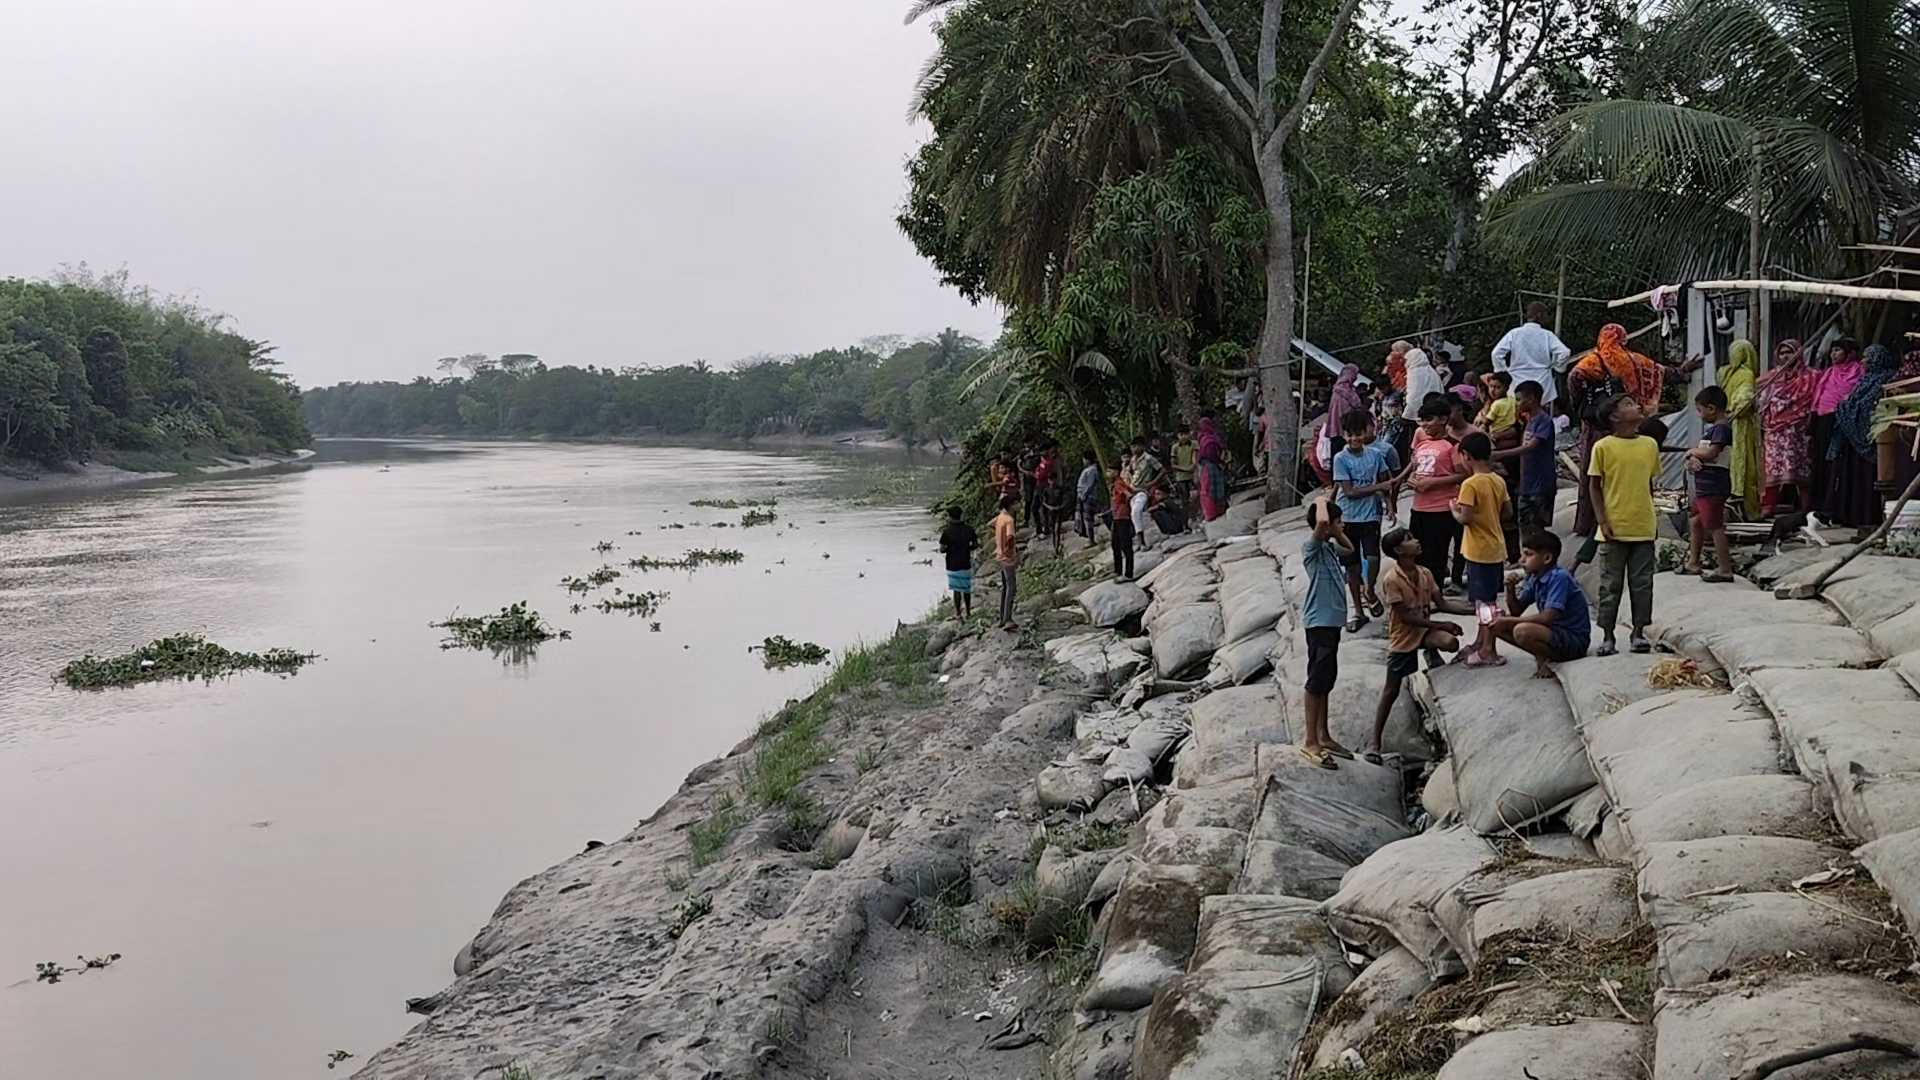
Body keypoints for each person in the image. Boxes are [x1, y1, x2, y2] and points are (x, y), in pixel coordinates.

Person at [1568, 324, 1697, 559]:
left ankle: (1588, 523)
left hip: (1597, 429)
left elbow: (1574, 379)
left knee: (1594, 477)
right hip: (1629, 429)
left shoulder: (1591, 361)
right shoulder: (1634, 360)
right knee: (1631, 477)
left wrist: (1584, 404)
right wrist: (1683, 370)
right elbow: (1660, 372)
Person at [1370, 527, 1465, 762]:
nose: (1416, 541)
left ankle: (1431, 652)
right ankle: (1374, 742)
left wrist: (1475, 607)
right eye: (1409, 540)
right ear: (1398, 550)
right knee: (1391, 689)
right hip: (1404, 636)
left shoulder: (1424, 573)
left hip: (1424, 631)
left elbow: (1441, 603)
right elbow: (1406, 618)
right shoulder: (1392, 579)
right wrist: (1441, 624)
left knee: (1451, 643)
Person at [1587, 394, 1660, 656]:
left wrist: (1653, 517)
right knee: (1610, 585)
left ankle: (1638, 632)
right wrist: (1602, 520)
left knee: (1642, 584)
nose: (1636, 406)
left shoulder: (1650, 445)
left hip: (1643, 525)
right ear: (1614, 417)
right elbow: (1594, 486)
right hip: (1614, 527)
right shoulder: (1603, 447)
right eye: (1628, 404)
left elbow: (1648, 484)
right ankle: (1607, 635)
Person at [1300, 495, 1356, 770]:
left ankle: (1324, 734)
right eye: (1339, 521)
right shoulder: (1311, 548)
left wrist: (1337, 532)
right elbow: (1321, 520)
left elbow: (1350, 549)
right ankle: (1310, 740)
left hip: (1332, 622)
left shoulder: (1330, 549)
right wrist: (1323, 500)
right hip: (1319, 622)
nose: (1342, 524)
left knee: (1327, 680)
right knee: (1316, 681)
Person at [1490, 529, 1591, 679]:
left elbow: (1547, 617)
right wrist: (1510, 589)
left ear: (1547, 558)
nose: (1522, 560)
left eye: (1528, 554)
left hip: (1573, 640)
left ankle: (1548, 660)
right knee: (1496, 625)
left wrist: (1509, 620)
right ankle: (1542, 655)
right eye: (1523, 554)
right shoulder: (1535, 577)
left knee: (1522, 631)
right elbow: (1516, 610)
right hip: (1553, 634)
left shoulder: (1559, 578)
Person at [1332, 408, 1400, 630]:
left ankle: (1369, 590)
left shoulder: (1376, 455)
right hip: (1348, 517)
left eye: (1358, 434)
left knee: (1372, 558)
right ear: (1344, 435)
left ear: (1367, 432)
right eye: (1350, 435)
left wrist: (1389, 503)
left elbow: (1385, 480)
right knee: (1351, 567)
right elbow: (1349, 491)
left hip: (1371, 515)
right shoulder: (1340, 458)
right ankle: (1358, 611)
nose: (1354, 439)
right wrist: (1380, 487)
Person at [1824, 344, 1901, 529]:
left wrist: (1845, 406)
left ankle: (1869, 517)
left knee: (1871, 480)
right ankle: (1852, 516)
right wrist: (1846, 406)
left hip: (1875, 440)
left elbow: (1868, 408)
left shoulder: (1887, 379)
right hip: (1855, 441)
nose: (1863, 361)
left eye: (1868, 358)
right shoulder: (1865, 380)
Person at [1451, 431, 1511, 666]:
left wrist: (1453, 510)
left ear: (1466, 455)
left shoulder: (1470, 484)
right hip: (1496, 546)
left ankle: (1489, 649)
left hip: (1478, 550)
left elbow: (1465, 519)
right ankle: (1481, 640)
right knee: (1486, 600)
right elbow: (1507, 513)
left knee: (1485, 604)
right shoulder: (1497, 480)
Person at [1407, 399, 1464, 592]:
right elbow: (1416, 469)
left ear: (1443, 419)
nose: (1424, 425)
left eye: (1429, 420)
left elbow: (1463, 474)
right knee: (1417, 554)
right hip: (1419, 507)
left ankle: (1435, 593)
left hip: (1441, 508)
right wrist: (1412, 479)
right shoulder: (1422, 444)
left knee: (1436, 555)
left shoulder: (1452, 446)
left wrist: (1434, 482)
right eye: (1422, 421)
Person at [1756, 338, 1817, 515]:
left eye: (1789, 352)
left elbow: (1810, 400)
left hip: (1798, 430)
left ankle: (1806, 508)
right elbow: (1758, 393)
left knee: (1800, 468)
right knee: (1772, 468)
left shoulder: (1810, 376)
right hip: (1775, 430)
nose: (1785, 356)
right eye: (1782, 353)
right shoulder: (1772, 375)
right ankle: (1768, 507)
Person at [1683, 385, 1736, 582]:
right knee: (1696, 522)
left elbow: (1711, 453)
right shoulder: (1714, 430)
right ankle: (1693, 562)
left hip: (1713, 487)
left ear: (1712, 408)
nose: (1700, 414)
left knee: (1714, 526)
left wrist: (1692, 452)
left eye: (1700, 410)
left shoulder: (1721, 429)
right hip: (1705, 487)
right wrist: (1694, 459)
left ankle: (1724, 569)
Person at [1496, 380, 1557, 533]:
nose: (1516, 403)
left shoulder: (1544, 420)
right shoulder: (1528, 421)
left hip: (1541, 484)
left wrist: (1499, 455)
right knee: (1524, 525)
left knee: (1536, 529)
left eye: (1519, 399)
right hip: (1527, 484)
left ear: (1531, 398)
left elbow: (1531, 447)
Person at [1810, 337, 1863, 504]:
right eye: (1832, 350)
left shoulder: (1858, 371)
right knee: (1821, 459)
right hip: (1823, 418)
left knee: (1838, 461)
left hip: (1843, 420)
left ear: (1850, 353)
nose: (1833, 354)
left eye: (1838, 350)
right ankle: (1819, 500)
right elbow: (1819, 394)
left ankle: (1836, 502)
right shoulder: (1829, 372)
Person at [1489, 302, 1571, 408]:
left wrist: (1504, 372)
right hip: (1542, 382)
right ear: (1539, 315)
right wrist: (1557, 368)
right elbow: (1565, 353)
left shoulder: (1514, 333)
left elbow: (1496, 354)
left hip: (1516, 382)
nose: (1547, 318)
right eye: (1546, 314)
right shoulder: (1547, 335)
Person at [1720, 339, 1763, 516]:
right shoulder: (1743, 374)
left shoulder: (1726, 373)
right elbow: (1745, 400)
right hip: (1738, 423)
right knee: (1745, 465)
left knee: (1741, 464)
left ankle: (1744, 508)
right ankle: (1748, 509)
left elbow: (1745, 399)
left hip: (1733, 421)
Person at [937, 506, 978, 621]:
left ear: (950, 517)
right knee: (966, 588)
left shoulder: (947, 531)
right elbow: (975, 544)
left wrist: (950, 548)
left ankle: (958, 613)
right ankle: (969, 612)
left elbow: (942, 549)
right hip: (965, 561)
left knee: (956, 589)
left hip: (952, 563)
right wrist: (967, 548)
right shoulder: (969, 529)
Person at [992, 494, 1021, 630]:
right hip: (1007, 558)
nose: (1019, 505)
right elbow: (1010, 538)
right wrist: (1011, 555)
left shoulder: (1000, 517)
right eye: (1018, 503)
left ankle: (1002, 618)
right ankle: (1008, 618)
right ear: (1012, 504)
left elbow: (990, 524)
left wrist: (999, 539)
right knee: (1011, 587)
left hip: (999, 556)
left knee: (1005, 587)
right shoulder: (1009, 520)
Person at [1196, 412, 1228, 521]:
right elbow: (1213, 455)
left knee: (1208, 491)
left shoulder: (1203, 439)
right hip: (1212, 468)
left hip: (1206, 468)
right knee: (1213, 491)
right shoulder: (1211, 439)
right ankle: (1216, 512)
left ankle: (1210, 514)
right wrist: (1221, 463)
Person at [1329, 364, 1366, 455]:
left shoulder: (1336, 390)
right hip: (1347, 429)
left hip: (1335, 429)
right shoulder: (1347, 392)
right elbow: (1356, 405)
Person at [1109, 471, 1136, 581]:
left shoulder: (1118, 484)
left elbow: (1128, 494)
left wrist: (1128, 507)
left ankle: (1128, 574)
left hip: (1122, 517)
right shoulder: (1118, 483)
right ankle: (1118, 570)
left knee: (1125, 545)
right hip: (1117, 517)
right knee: (1115, 544)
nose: (1108, 473)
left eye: (1110, 470)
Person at [1075, 450, 1104, 548]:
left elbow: (1090, 484)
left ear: (1087, 460)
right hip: (1085, 496)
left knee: (1089, 518)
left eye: (1084, 459)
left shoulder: (1091, 470)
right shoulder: (1089, 469)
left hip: (1089, 497)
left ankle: (1091, 540)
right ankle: (1090, 538)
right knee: (1087, 518)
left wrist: (1084, 494)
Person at [1170, 427, 1196, 506]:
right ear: (1178, 435)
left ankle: (1197, 515)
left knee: (1195, 497)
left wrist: (1193, 467)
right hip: (1181, 477)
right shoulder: (1175, 447)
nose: (1184, 436)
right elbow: (1173, 464)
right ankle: (1187, 516)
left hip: (1193, 476)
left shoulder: (1194, 444)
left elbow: (1195, 459)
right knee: (1184, 498)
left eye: (1186, 434)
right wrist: (1187, 469)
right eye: (1181, 435)